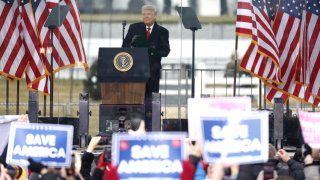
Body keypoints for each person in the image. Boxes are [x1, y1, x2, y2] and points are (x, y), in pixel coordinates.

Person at [122, 4, 170, 131]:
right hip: (136, 73)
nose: (146, 16)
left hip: (153, 74)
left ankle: (151, 128)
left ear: (154, 15)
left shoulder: (162, 31)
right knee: (136, 102)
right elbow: (124, 47)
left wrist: (151, 51)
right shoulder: (134, 28)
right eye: (144, 14)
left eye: (148, 14)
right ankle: (135, 128)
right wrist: (136, 49)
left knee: (152, 102)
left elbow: (165, 51)